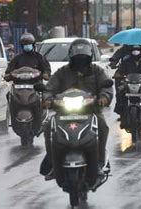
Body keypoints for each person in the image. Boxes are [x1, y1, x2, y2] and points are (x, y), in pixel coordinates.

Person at [41, 38, 113, 180]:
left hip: (91, 110)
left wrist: (104, 97)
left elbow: (106, 86)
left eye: (83, 58)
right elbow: (50, 87)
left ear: (89, 57)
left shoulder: (97, 71)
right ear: (72, 57)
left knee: (103, 126)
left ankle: (99, 162)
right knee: (48, 126)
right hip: (63, 111)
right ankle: (52, 163)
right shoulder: (62, 72)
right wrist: (48, 99)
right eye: (77, 58)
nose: (80, 61)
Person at [113, 45, 141, 129]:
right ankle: (123, 117)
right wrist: (118, 75)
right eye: (134, 50)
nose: (135, 52)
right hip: (129, 84)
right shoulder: (126, 60)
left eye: (137, 50)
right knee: (120, 94)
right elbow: (120, 70)